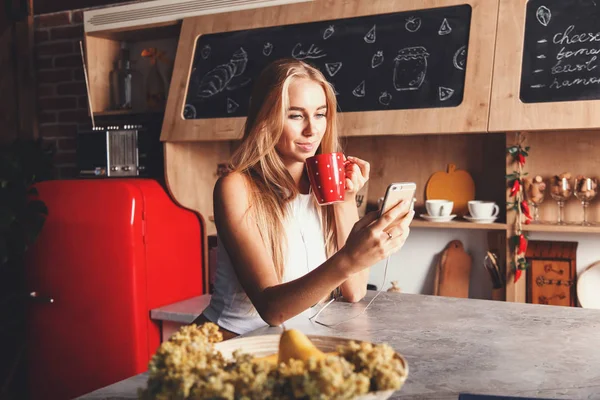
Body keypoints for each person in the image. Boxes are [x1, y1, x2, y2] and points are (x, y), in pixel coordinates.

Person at [194, 58, 414, 339]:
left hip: (289, 343)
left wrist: (346, 200)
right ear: (266, 118)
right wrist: (349, 257)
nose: (312, 129)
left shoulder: (325, 188)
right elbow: (272, 309)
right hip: (229, 343)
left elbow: (355, 291)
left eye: (320, 114)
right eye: (295, 115)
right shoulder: (236, 187)